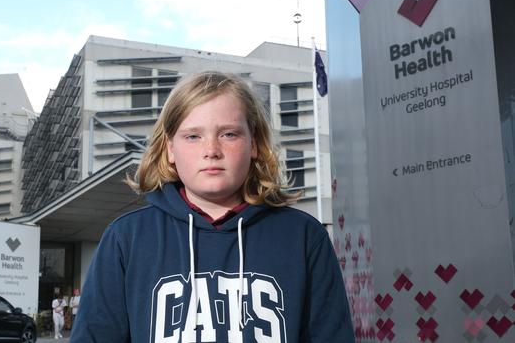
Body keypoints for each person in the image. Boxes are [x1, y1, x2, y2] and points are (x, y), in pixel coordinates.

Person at [71, 71, 353, 342]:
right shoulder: (126, 239)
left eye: (228, 134)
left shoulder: (303, 237)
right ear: (170, 148)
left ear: (254, 143)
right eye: (193, 136)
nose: (211, 150)